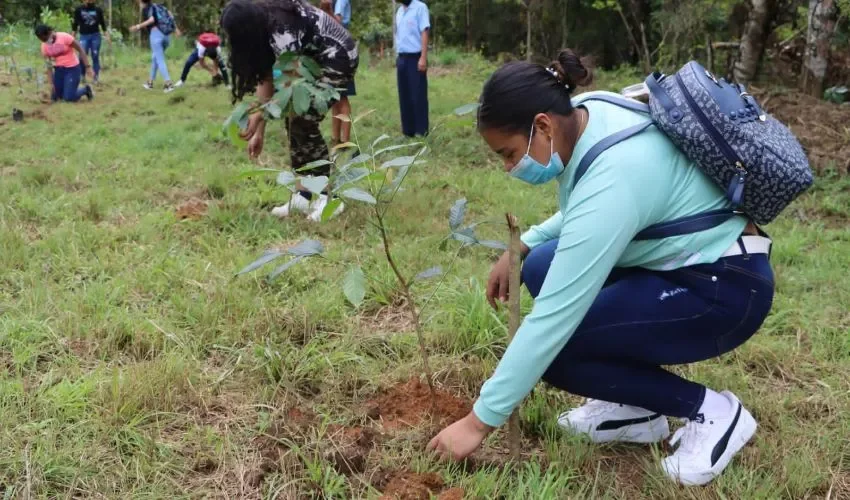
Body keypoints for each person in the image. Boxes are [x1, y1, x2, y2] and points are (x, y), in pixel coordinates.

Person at [427, 49, 776, 487]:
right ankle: (638, 409)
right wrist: (524, 245)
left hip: (724, 289)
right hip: (683, 263)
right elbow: (589, 205)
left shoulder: (616, 174)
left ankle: (712, 412)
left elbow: (554, 316)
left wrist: (478, 423)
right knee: (541, 266)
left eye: (509, 152)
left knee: (557, 351)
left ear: (542, 125)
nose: (508, 167)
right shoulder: (594, 110)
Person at [221, 0, 359, 222]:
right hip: (312, 59)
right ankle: (303, 195)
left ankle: (327, 199)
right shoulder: (262, 30)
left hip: (338, 56)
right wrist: (259, 131)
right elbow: (266, 77)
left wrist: (259, 115)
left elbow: (290, 87)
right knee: (294, 119)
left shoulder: (281, 30)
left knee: (304, 119)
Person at [394, 0, 429, 137]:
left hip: (416, 57)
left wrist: (423, 57)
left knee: (418, 95)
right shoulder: (399, 11)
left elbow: (424, 31)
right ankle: (408, 131)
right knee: (404, 95)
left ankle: (421, 131)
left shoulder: (420, 8)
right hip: (402, 57)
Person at [36, 24, 94, 103]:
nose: (45, 41)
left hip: (72, 68)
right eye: (42, 40)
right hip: (59, 70)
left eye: (45, 39)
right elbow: (48, 66)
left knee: (68, 98)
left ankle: (86, 90)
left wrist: (88, 67)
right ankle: (67, 91)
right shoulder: (44, 46)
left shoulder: (64, 37)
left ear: (49, 33)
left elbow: (80, 49)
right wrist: (51, 84)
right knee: (56, 98)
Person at [129, 0, 178, 93]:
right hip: (167, 35)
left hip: (156, 34)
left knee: (160, 59)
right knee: (155, 57)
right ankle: (150, 83)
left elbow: (152, 20)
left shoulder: (147, 8)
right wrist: (175, 29)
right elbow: (170, 14)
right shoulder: (159, 6)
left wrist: (138, 26)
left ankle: (168, 83)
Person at [72, 0, 109, 84]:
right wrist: (71, 38)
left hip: (95, 36)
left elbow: (102, 23)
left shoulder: (98, 10)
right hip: (84, 36)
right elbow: (75, 25)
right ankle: (82, 76)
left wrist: (106, 35)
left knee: (95, 55)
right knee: (82, 56)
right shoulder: (79, 10)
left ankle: (95, 77)